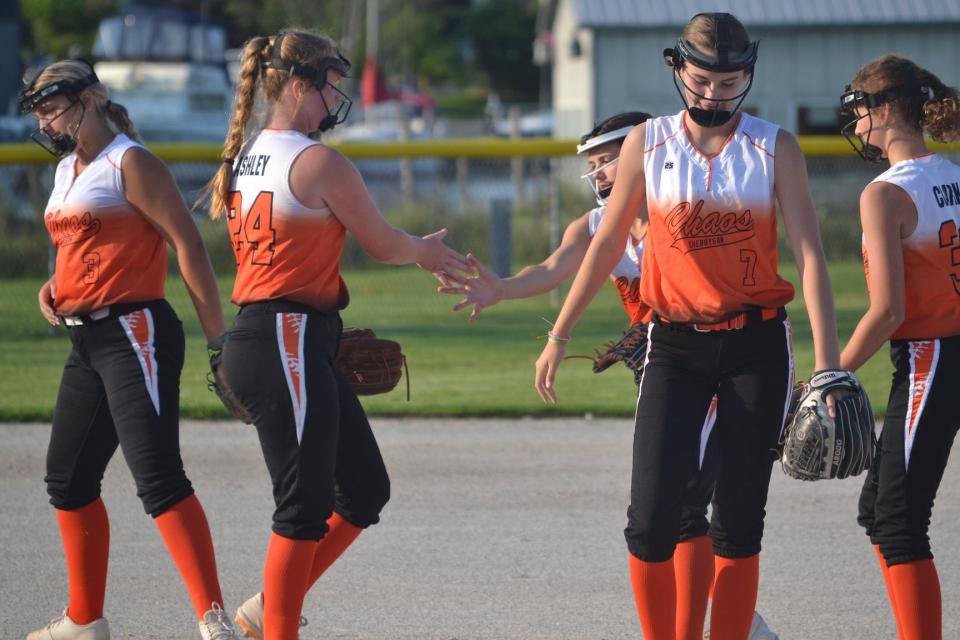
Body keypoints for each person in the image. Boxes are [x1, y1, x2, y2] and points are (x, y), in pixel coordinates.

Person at [534, 13, 847, 640]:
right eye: (702, 78)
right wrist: (559, 332)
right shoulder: (646, 143)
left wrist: (829, 366)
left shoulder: (774, 145)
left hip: (757, 346)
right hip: (672, 343)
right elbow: (605, 245)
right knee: (649, 519)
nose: (714, 94)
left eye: (729, 82)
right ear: (679, 69)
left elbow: (812, 256)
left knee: (736, 522)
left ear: (747, 77)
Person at [440, 111, 776, 640]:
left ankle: (723, 623)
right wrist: (501, 287)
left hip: (717, 357)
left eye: (606, 160)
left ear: (645, 152)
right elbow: (551, 270)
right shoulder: (598, 225)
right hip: (661, 367)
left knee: (688, 497)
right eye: (592, 165)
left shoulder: (690, 209)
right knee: (673, 502)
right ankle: (738, 622)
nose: (598, 174)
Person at [203, 30, 467, 640]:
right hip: (284, 338)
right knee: (301, 509)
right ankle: (278, 628)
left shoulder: (245, 156)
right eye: (329, 87)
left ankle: (270, 610)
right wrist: (425, 251)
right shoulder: (318, 161)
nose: (336, 100)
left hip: (287, 338)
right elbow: (381, 243)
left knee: (364, 489)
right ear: (298, 85)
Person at [21, 60, 239, 639]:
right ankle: (84, 621)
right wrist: (56, 287)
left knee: (158, 477)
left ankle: (214, 620)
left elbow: (188, 246)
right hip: (86, 340)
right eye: (38, 113)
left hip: (134, 332)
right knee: (66, 481)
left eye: (52, 108)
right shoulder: (68, 169)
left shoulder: (129, 161)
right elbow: (85, 246)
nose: (45, 123)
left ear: (89, 98)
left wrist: (219, 342)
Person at [838, 54, 960, 640]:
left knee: (899, 524)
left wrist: (829, 375)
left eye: (860, 109)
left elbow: (889, 311)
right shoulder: (952, 171)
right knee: (879, 512)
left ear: (887, 110)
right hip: (946, 353)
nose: (857, 122)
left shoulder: (883, 194)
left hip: (930, 358)